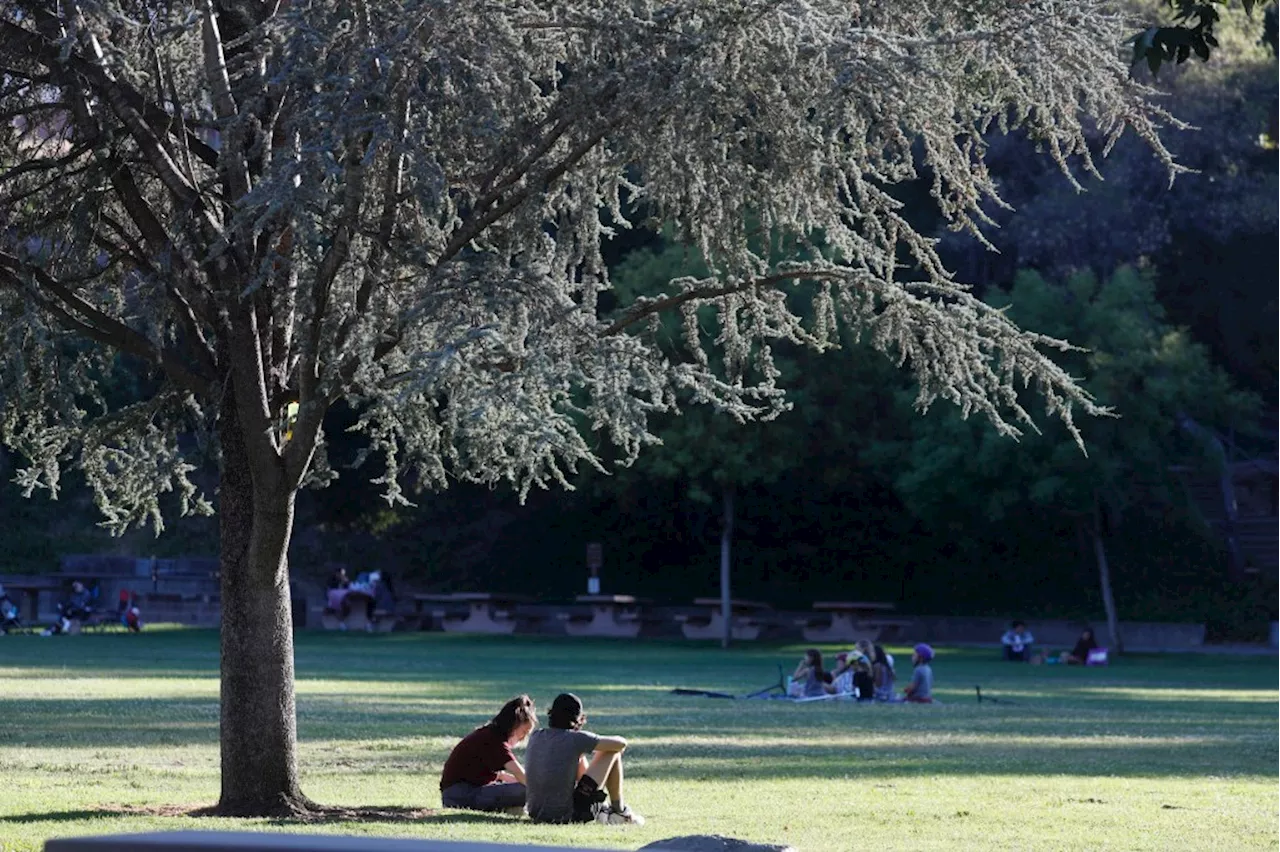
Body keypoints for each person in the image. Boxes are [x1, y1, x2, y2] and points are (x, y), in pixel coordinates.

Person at [524, 692, 644, 825]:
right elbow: (621, 743)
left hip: (535, 811)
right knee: (612, 752)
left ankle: (604, 809)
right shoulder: (575, 738)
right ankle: (619, 812)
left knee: (578, 756)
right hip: (566, 815)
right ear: (577, 718)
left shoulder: (536, 735)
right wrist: (592, 744)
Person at [440, 695, 537, 814]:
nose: (523, 738)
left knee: (522, 787)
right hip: (460, 794)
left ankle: (508, 808)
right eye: (524, 732)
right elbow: (519, 773)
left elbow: (501, 776)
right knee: (526, 790)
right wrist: (542, 790)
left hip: (457, 793)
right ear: (514, 724)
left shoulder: (489, 734)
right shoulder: (494, 741)